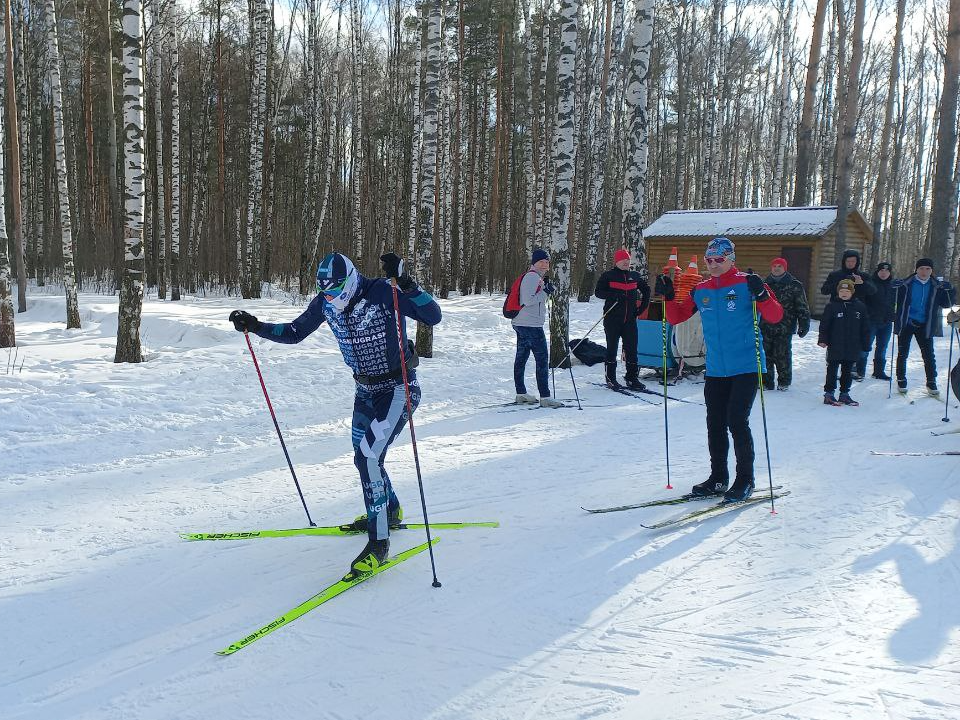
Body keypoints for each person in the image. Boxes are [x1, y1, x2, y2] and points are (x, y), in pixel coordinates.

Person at [228, 252, 441, 578]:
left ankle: (379, 542)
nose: (329, 299)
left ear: (350, 281)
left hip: (399, 388)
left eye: (334, 291)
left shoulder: (384, 291)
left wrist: (407, 282)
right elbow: (296, 332)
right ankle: (391, 510)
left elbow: (432, 315)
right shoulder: (325, 303)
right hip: (365, 391)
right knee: (365, 456)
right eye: (324, 292)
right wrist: (255, 326)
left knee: (368, 456)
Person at [657, 237, 783, 502]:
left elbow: (775, 316)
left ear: (731, 259)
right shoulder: (700, 289)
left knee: (737, 421)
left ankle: (745, 479)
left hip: (746, 365)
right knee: (714, 423)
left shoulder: (747, 283)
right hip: (715, 369)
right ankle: (718, 477)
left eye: (719, 260)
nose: (713, 264)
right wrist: (667, 297)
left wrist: (761, 294)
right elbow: (678, 317)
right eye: (709, 260)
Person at [893, 258, 956, 396]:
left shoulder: (936, 286)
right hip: (907, 323)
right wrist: (893, 287)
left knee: (928, 355)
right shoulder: (906, 284)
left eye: (928, 269)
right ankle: (901, 379)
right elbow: (893, 298)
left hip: (925, 325)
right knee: (902, 354)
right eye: (921, 268)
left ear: (931, 271)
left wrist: (951, 290)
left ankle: (931, 381)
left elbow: (947, 304)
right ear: (916, 269)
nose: (924, 271)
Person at [594, 248, 651, 390]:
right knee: (612, 349)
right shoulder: (608, 276)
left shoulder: (634, 276)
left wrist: (642, 308)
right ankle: (611, 378)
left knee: (631, 349)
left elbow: (647, 290)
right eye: (623, 259)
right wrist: (614, 295)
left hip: (630, 320)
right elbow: (598, 292)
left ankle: (632, 378)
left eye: (628, 259)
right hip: (612, 319)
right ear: (617, 261)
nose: (626, 262)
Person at [512, 249, 563, 408]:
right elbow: (528, 300)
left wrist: (545, 291)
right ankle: (545, 396)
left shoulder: (535, 278)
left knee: (522, 357)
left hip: (523, 322)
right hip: (530, 324)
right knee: (542, 360)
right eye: (541, 262)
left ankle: (521, 393)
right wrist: (546, 292)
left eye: (547, 262)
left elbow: (536, 300)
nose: (544, 265)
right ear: (534, 263)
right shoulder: (532, 277)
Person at [760, 257, 810, 391]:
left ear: (784, 268)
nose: (776, 268)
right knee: (766, 355)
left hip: (785, 326)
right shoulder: (764, 284)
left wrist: (804, 323)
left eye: (779, 266)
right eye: (774, 266)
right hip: (765, 325)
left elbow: (802, 306)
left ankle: (784, 381)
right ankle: (766, 381)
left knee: (782, 355)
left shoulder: (794, 285)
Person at [818, 279, 871, 407]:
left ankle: (844, 394)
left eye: (847, 291)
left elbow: (865, 327)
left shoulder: (860, 307)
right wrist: (823, 339)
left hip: (853, 345)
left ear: (852, 292)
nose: (844, 293)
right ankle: (829, 393)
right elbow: (825, 324)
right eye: (841, 291)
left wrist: (866, 343)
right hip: (835, 344)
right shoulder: (832, 306)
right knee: (832, 369)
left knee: (847, 371)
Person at [858, 261, 897, 380]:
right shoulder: (870, 283)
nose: (884, 273)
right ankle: (860, 371)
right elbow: (862, 300)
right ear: (877, 271)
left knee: (882, 347)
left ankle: (878, 371)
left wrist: (894, 315)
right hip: (871, 321)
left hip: (887, 322)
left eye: (886, 271)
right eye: (881, 271)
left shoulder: (894, 285)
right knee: (865, 346)